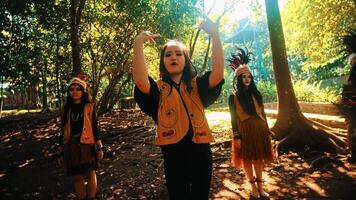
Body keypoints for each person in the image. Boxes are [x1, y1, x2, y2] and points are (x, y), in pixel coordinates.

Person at [132, 17, 224, 199]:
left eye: (178, 54)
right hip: (173, 155)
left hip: (201, 153)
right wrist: (137, 44)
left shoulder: (197, 85)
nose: (173, 57)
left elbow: (218, 74)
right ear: (163, 61)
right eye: (168, 54)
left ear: (185, 59)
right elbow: (141, 82)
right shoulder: (158, 88)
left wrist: (214, 34)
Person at [228, 48, 274, 199]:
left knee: (259, 158)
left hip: (260, 129)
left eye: (249, 76)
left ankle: (261, 187)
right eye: (243, 77)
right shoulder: (233, 97)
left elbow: (263, 114)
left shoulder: (257, 94)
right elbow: (233, 119)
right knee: (247, 159)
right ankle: (253, 187)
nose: (247, 79)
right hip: (244, 130)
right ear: (238, 79)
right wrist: (236, 136)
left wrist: (267, 130)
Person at [57, 76, 104, 200]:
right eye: (71, 89)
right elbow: (62, 130)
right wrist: (61, 150)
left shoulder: (89, 106)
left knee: (90, 173)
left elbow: (94, 127)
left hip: (87, 144)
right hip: (71, 145)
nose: (74, 91)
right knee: (77, 175)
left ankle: (91, 197)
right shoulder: (65, 109)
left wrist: (99, 147)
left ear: (83, 91)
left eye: (78, 89)